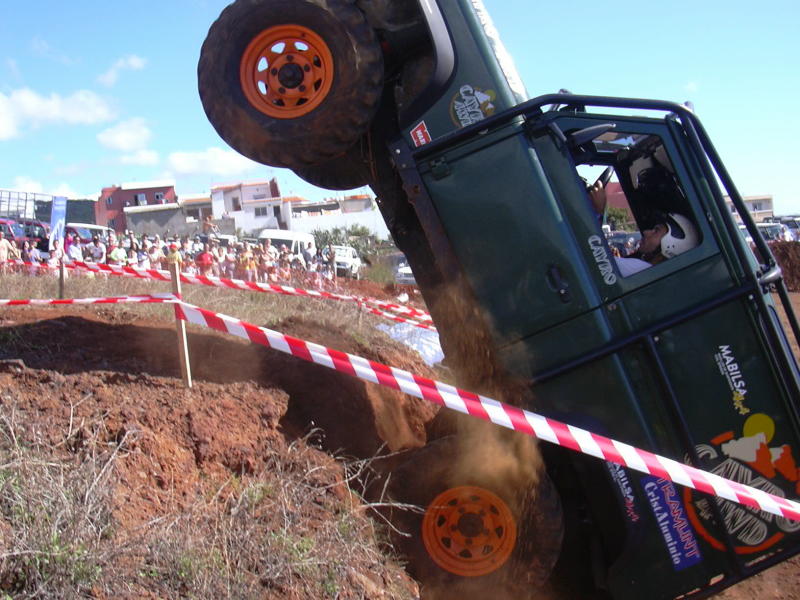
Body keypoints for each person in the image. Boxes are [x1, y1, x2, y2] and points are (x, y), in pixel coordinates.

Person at [590, 179, 699, 277]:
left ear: (669, 247)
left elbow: (591, 256)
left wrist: (599, 210)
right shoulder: (646, 272)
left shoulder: (639, 269)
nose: (646, 232)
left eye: (656, 232)